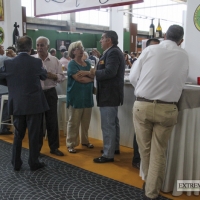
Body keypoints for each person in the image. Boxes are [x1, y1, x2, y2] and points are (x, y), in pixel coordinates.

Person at [129, 25, 189, 199]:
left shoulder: (150, 50)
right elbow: (182, 79)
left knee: (145, 150)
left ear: (164, 35)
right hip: (168, 108)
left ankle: (149, 186)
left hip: (143, 105)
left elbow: (133, 77)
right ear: (181, 41)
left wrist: (144, 90)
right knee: (159, 151)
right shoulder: (183, 54)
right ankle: (151, 191)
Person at [0, 36, 49, 171]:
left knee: (18, 134)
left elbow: (1, 77)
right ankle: (33, 162)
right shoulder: (36, 62)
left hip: (17, 103)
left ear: (16, 47)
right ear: (30, 48)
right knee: (34, 135)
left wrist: (12, 85)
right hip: (34, 104)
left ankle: (16, 162)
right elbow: (44, 76)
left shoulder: (9, 63)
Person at [90, 30, 125, 163]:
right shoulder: (111, 52)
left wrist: (94, 73)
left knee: (108, 124)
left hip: (109, 94)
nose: (100, 41)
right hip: (110, 93)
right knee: (113, 123)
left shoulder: (113, 52)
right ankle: (113, 148)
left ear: (109, 40)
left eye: (102, 38)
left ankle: (108, 154)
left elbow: (110, 72)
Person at [33, 36, 65, 156]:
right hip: (36, 94)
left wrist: (54, 76)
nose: (39, 47)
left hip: (50, 92)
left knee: (52, 121)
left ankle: (54, 147)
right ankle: (37, 149)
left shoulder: (55, 60)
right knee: (37, 123)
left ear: (47, 46)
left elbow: (62, 77)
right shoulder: (32, 60)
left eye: (42, 45)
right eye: (38, 45)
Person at [132, 38, 160, 170]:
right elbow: (133, 78)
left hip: (158, 103)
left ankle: (148, 167)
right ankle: (137, 159)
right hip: (143, 100)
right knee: (140, 135)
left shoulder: (161, 62)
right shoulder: (141, 60)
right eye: (153, 47)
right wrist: (142, 91)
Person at [66, 41, 94, 153]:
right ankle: (71, 144)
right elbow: (79, 79)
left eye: (82, 47)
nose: (81, 50)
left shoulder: (89, 62)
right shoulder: (71, 64)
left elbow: (93, 73)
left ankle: (85, 141)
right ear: (73, 51)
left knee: (86, 121)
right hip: (75, 97)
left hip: (87, 96)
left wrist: (86, 73)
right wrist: (90, 78)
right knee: (73, 122)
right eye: (78, 48)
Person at [0, 45, 16, 135]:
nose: (4, 49)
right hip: (3, 88)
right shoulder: (3, 58)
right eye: (2, 48)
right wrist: (13, 55)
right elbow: (16, 60)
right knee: (7, 102)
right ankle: (3, 127)